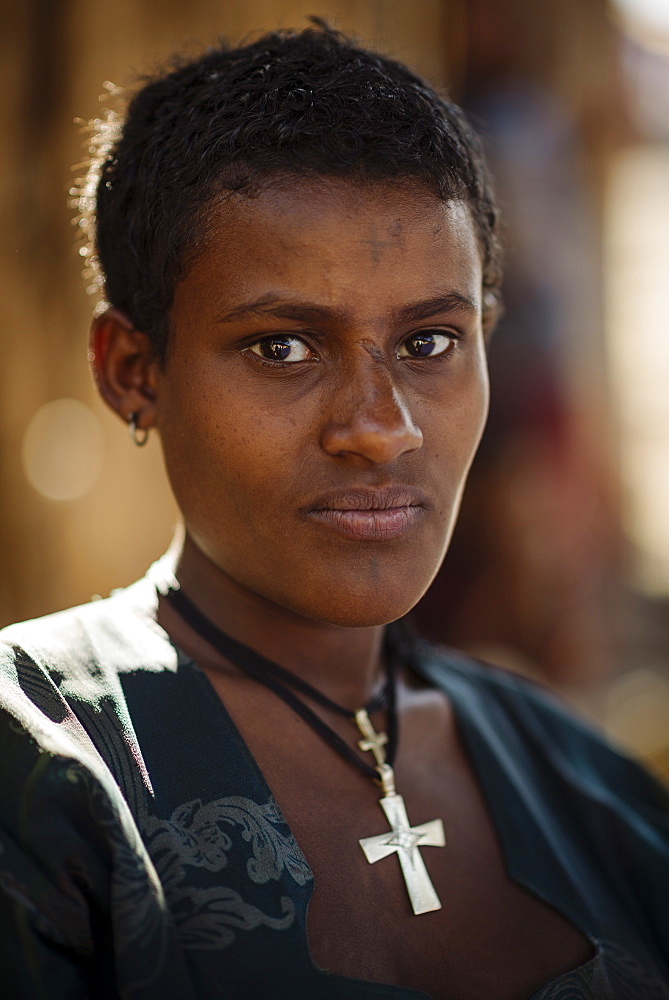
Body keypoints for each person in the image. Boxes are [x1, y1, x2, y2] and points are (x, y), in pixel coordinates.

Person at [0, 24, 667, 1000]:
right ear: (133, 371)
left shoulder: (582, 781)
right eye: (284, 348)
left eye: (431, 341)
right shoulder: (40, 763)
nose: (380, 430)